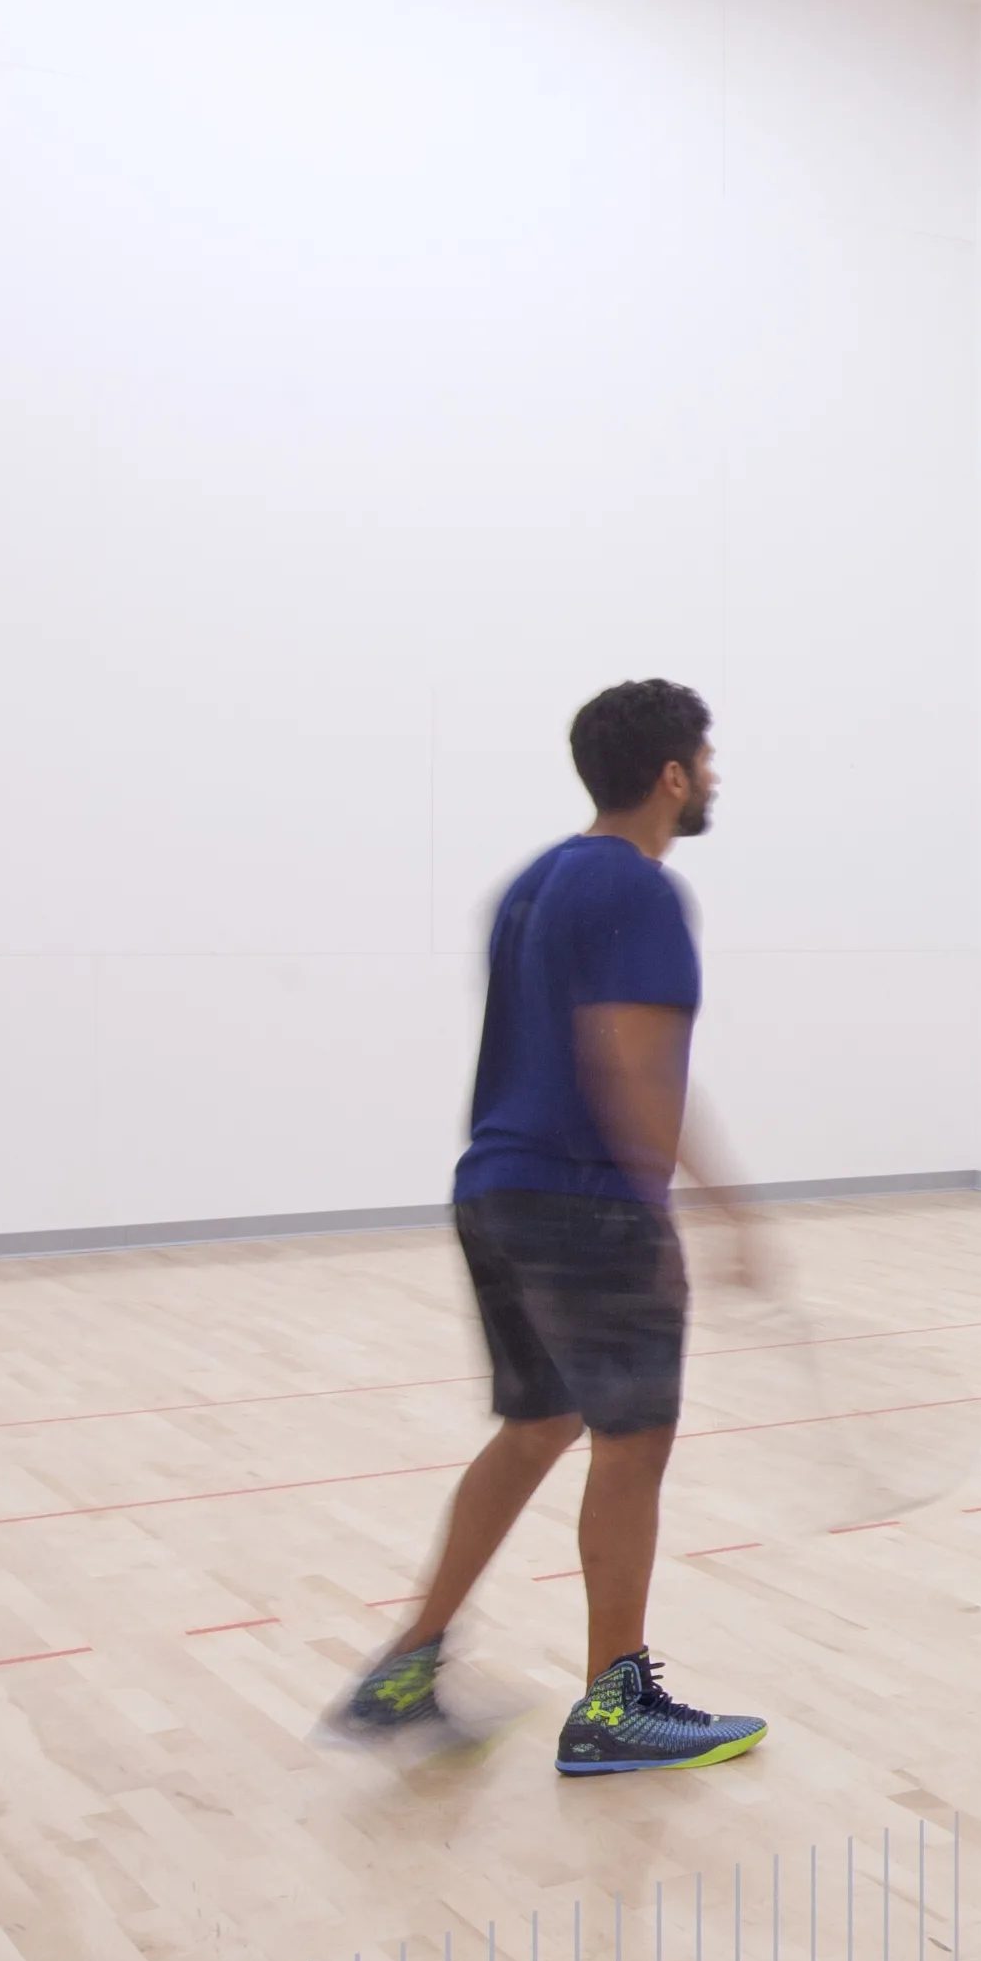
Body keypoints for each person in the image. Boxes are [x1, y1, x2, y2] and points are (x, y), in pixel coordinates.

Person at [319, 677, 772, 1772]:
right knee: (634, 1440)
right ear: (671, 775)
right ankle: (615, 1706)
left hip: (496, 1192)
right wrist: (696, 1208)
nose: (713, 775)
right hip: (585, 1204)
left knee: (539, 1426)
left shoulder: (536, 884)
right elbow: (631, 1057)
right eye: (704, 758)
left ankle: (409, 1663)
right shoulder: (644, 893)